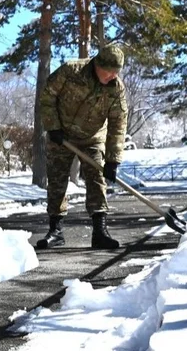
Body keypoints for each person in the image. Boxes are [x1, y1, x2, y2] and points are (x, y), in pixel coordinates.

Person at [37, 45, 128, 250]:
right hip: (61, 134)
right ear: (98, 64)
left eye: (117, 72)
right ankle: (56, 231)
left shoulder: (116, 89)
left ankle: (100, 231)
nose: (113, 76)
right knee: (57, 180)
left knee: (96, 177)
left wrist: (113, 159)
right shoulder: (71, 71)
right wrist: (53, 126)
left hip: (92, 137)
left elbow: (118, 124)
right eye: (109, 71)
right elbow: (48, 95)